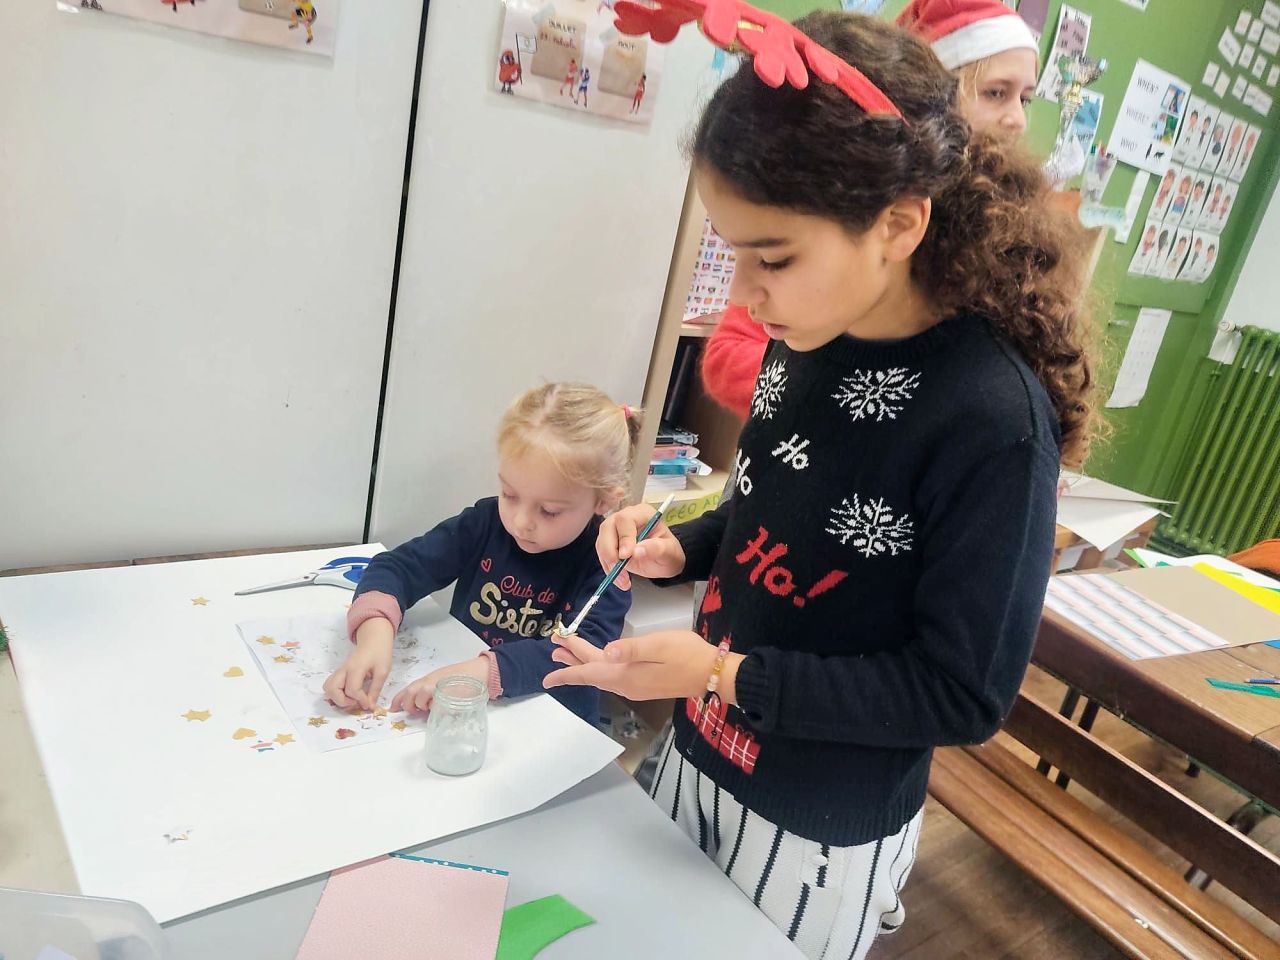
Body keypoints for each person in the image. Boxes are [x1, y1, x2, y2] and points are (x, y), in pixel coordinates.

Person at [546, 11, 1097, 957]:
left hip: (814, 830)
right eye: (734, 252)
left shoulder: (991, 420)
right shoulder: (805, 335)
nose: (744, 294)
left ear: (898, 224)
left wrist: (721, 673)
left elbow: (962, 693)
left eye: (773, 258)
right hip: (700, 747)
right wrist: (686, 544)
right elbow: (774, 499)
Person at [703, 0, 1041, 420]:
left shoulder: (991, 391)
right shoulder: (818, 232)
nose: (1017, 120)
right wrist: (840, 387)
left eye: (1025, 99)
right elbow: (732, 350)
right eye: (995, 93)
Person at [323, 383, 641, 724]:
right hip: (463, 713)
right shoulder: (485, 523)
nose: (521, 522)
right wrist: (374, 636)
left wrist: (480, 672)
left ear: (604, 501)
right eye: (510, 494)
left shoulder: (607, 564)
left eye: (549, 511)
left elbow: (585, 655)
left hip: (550, 726)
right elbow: (396, 568)